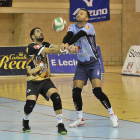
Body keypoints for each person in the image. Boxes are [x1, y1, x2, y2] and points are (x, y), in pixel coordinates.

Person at [61, 9, 120, 128]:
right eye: (78, 13)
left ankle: (113, 115)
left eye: (81, 14)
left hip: (94, 64)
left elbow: (79, 35)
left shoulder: (89, 26)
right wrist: (66, 45)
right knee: (76, 91)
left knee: (97, 91)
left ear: (86, 19)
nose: (78, 14)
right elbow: (69, 35)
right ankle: (80, 118)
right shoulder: (72, 26)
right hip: (81, 65)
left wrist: (67, 44)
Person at [22, 27, 77, 134]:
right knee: (30, 105)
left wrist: (67, 47)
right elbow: (51, 51)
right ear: (32, 36)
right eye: (38, 31)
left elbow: (55, 47)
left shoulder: (45, 43)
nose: (41, 32)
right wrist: (66, 51)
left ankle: (60, 124)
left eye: (41, 30)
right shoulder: (32, 46)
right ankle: (25, 120)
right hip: (33, 81)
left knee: (56, 97)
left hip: (45, 80)